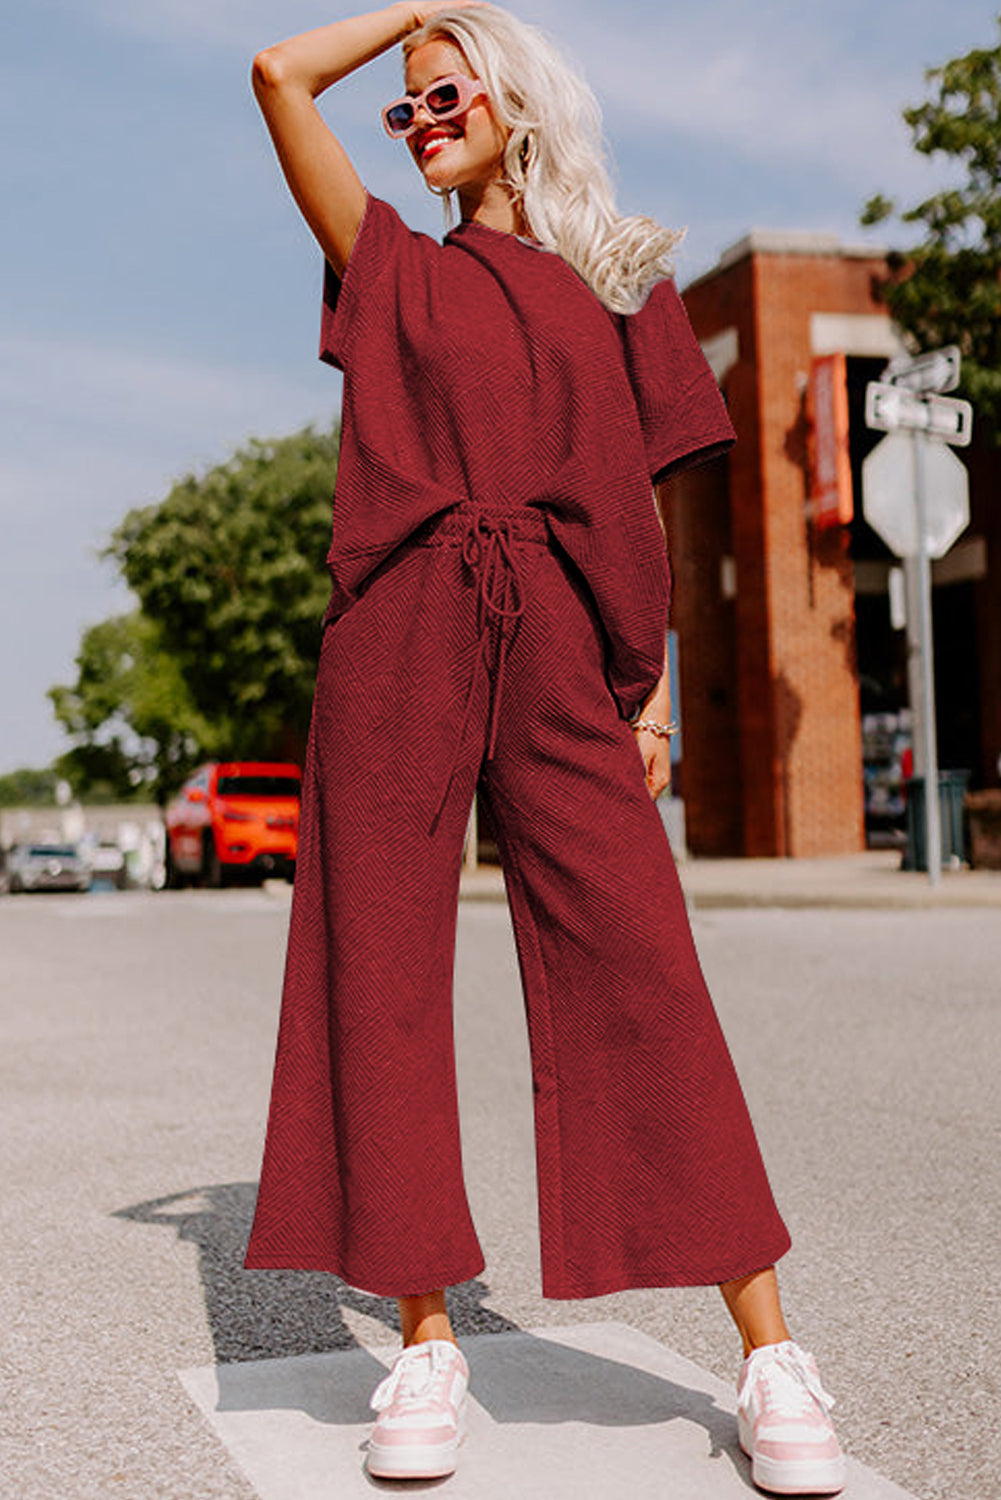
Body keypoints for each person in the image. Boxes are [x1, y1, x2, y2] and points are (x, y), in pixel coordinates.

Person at [244, 5, 846, 1493]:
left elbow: (653, 505)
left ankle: (771, 1354)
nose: (419, 120)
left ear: (511, 102)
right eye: (402, 110)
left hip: (570, 649)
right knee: (375, 975)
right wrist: (412, 16)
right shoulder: (385, 262)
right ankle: (426, 1341)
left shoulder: (622, 275)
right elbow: (273, 74)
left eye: (442, 95)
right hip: (397, 635)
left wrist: (649, 696)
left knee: (643, 972)